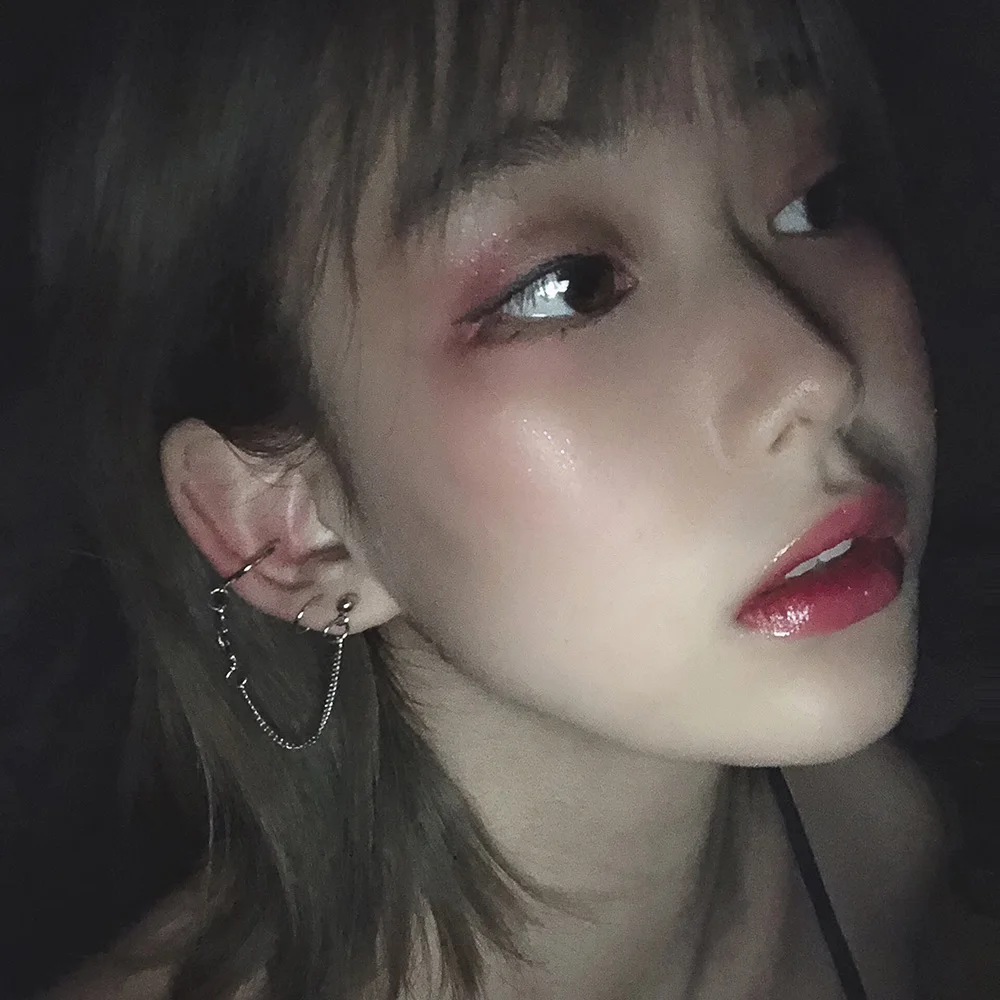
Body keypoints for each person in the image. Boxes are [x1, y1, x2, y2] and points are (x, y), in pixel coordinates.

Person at [33, 0, 947, 996]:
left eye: (814, 200)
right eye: (568, 287)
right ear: (285, 526)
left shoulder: (888, 837)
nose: (816, 373)